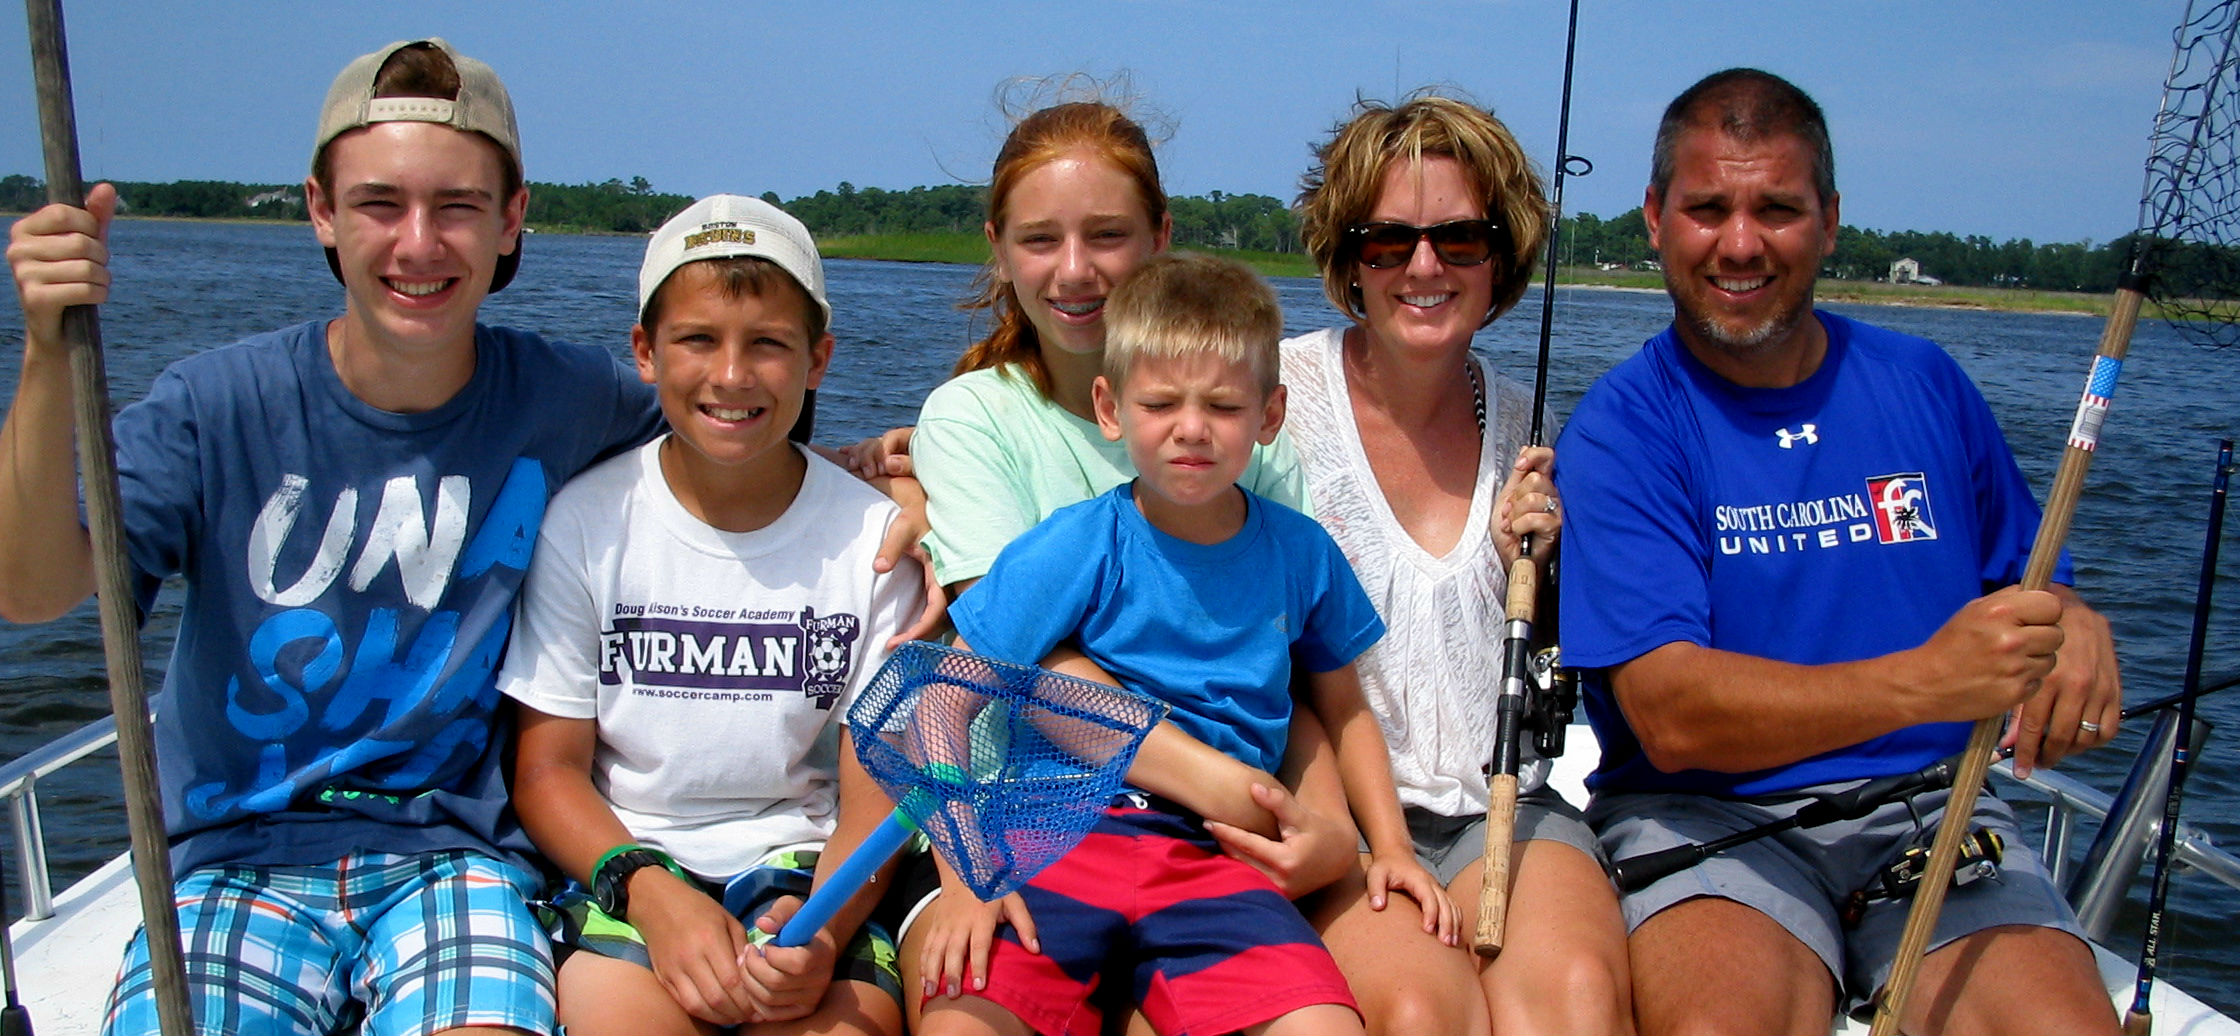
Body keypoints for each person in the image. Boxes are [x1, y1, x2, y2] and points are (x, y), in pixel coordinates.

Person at [0, 39, 665, 1036]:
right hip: (231, 854)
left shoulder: (570, 398)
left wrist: (887, 478)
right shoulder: (214, 406)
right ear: (320, 209)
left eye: (456, 207)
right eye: (378, 204)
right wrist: (49, 348)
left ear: (510, 217)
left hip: (458, 853)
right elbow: (32, 588)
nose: (418, 244)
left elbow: (728, 454)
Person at [1555, 67, 2123, 1034]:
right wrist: (1925, 683)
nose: (1740, 243)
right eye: (1707, 208)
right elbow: (1673, 716)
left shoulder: (1925, 382)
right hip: (1714, 822)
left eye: (1777, 208)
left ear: (1829, 218)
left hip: (1936, 812)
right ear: (1654, 217)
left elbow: (2033, 581)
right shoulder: (1622, 429)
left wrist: (2074, 625)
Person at [869, 95, 1368, 1027]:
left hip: (1212, 853)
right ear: (997, 245)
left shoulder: (1257, 458)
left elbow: (1285, 673)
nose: (1074, 270)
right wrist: (1211, 777)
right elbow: (1020, 663)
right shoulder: (973, 417)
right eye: (1039, 240)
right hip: (1017, 829)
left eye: (1107, 234)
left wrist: (1333, 832)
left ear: (1161, 236)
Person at [923, 251, 1446, 1036]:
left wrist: (1393, 846)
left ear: (1270, 416)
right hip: (1056, 840)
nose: (1192, 430)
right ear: (1111, 407)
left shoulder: (1302, 555)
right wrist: (968, 869)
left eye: (1225, 407)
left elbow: (1344, 712)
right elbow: (940, 702)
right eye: (1161, 402)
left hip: (1221, 862)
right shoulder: (1079, 543)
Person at [499, 195, 924, 1036]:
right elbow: (548, 769)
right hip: (630, 865)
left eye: (768, 343)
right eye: (698, 340)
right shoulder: (585, 523)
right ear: (646, 354)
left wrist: (826, 929)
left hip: (810, 874)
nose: (732, 376)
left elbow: (877, 790)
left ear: (818, 360)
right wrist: (652, 898)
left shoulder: (874, 540)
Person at [1279, 94, 1631, 1035]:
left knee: (1577, 1005)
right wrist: (895, 463)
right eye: (1388, 242)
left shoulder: (1533, 428)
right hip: (1338, 818)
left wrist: (1550, 565)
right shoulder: (1265, 401)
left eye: (1460, 240)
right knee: (1419, 1011)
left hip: (1504, 803)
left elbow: (1559, 650)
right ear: (1348, 259)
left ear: (1500, 257)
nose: (1424, 267)